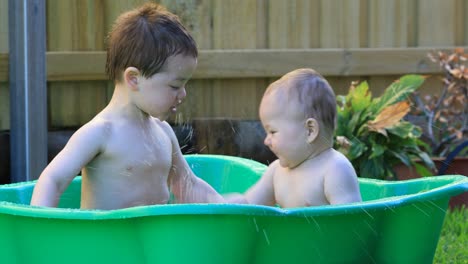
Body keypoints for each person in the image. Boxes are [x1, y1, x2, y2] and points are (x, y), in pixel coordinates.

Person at [31, 2, 224, 210]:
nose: (183, 94)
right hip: (107, 240)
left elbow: (187, 185)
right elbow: (53, 180)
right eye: (175, 85)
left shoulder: (164, 132)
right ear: (133, 79)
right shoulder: (100, 133)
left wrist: (227, 208)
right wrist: (41, 230)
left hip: (152, 241)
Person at [227, 68, 361, 207]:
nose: (266, 141)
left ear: (310, 131)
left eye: (272, 132)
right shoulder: (276, 172)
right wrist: (214, 200)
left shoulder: (335, 170)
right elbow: (248, 206)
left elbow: (351, 222)